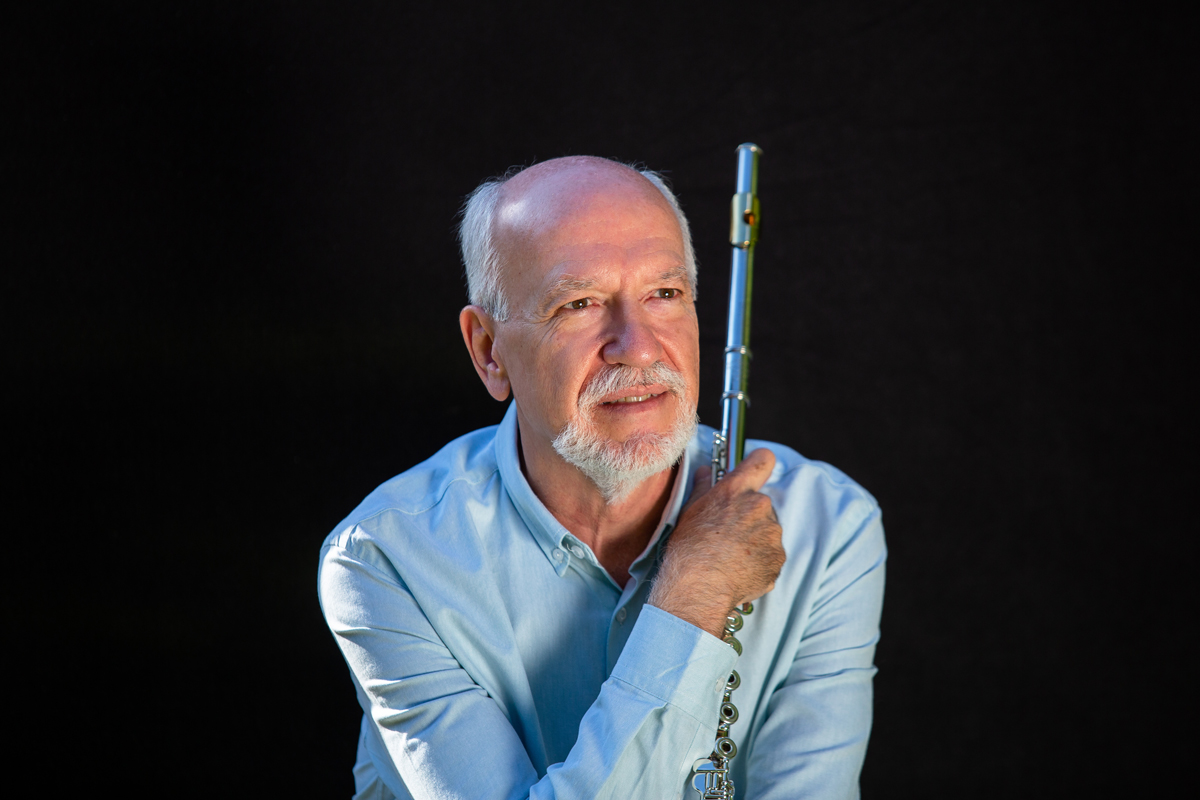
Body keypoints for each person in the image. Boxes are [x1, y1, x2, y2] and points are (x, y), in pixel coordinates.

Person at [318, 156, 886, 799]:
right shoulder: (387, 559)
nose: (637, 346)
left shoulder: (828, 528)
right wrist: (693, 596)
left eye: (664, 294)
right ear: (488, 351)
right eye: (578, 304)